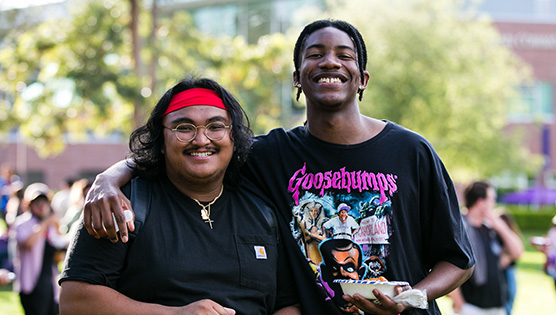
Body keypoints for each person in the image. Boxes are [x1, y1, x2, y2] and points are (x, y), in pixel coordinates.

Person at [82, 20, 476, 315]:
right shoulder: (270, 154)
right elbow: (196, 150)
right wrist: (109, 179)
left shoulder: (411, 151)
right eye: (315, 53)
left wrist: (412, 298)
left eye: (344, 55)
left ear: (362, 78)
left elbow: (458, 259)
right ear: (297, 78)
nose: (330, 62)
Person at [58, 77, 300, 315]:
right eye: (184, 128)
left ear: (233, 138)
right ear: (161, 140)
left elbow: (288, 302)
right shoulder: (124, 204)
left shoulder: (262, 210)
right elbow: (75, 301)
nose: (201, 140)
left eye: (216, 127)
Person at [448, 181, 523, 315]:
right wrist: (461, 306)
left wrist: (501, 226)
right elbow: (448, 267)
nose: (494, 203)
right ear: (480, 202)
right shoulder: (459, 229)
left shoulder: (490, 229)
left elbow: (517, 252)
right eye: (492, 199)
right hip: (471, 308)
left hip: (497, 307)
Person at [11, 182, 65, 315]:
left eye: (44, 203)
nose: (41, 207)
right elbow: (29, 243)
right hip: (31, 284)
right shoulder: (22, 223)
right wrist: (46, 223)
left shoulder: (52, 226)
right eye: (37, 203)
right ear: (29, 205)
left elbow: (57, 250)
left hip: (49, 283)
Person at [499, 211, 521, 315]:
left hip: (508, 273)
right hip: (501, 274)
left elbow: (517, 253)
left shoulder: (510, 237)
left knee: (508, 302)